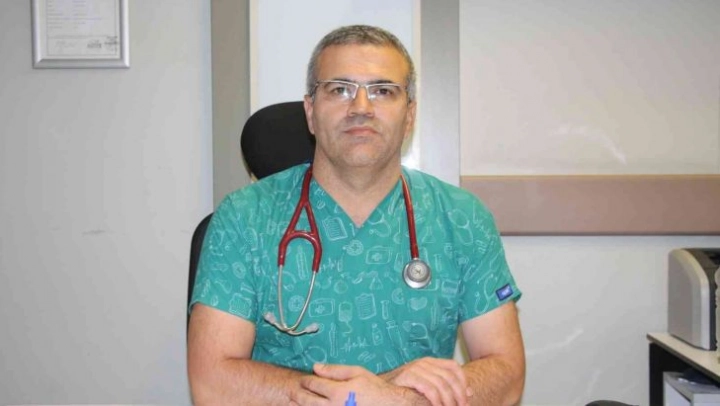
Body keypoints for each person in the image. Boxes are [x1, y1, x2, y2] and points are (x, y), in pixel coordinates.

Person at [187, 25, 524, 406]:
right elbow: (211, 384)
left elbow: (507, 373)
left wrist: (398, 400)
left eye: (383, 91)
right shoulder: (244, 217)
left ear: (409, 115)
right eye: (339, 89)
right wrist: (358, 396)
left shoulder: (463, 218)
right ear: (311, 112)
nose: (361, 107)